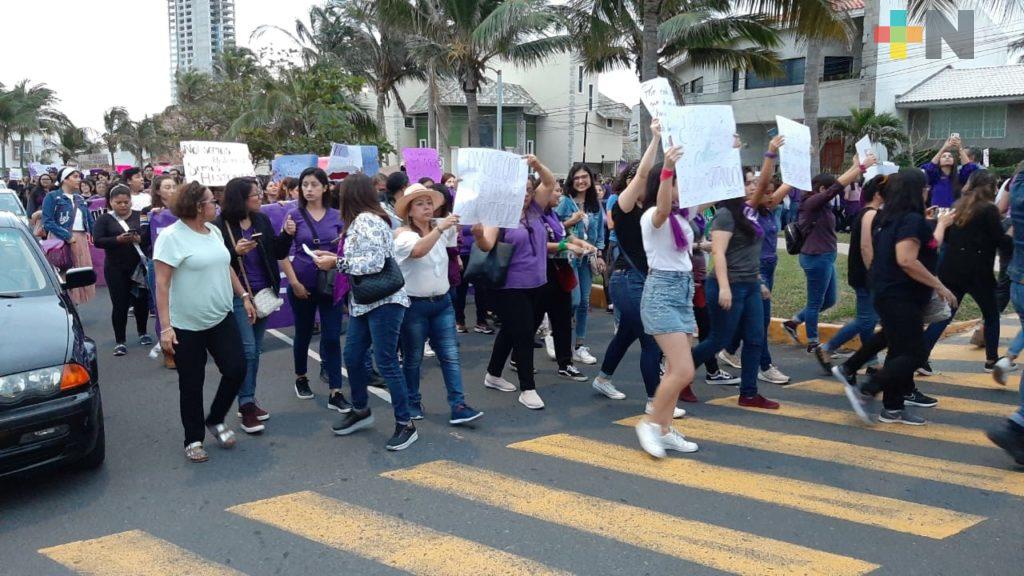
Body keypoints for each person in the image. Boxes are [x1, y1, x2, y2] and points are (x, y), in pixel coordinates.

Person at [840, 167, 957, 426]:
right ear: (917, 190)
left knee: (898, 349)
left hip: (891, 292)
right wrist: (939, 285)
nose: (928, 191)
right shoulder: (910, 220)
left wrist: (938, 225)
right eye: (925, 187)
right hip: (900, 295)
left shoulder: (892, 217)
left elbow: (925, 246)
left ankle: (892, 408)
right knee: (915, 354)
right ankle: (867, 389)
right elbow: (906, 260)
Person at [154, 181, 255, 463]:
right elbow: (161, 284)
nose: (217, 205)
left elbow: (226, 265)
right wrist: (166, 327)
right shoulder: (171, 237)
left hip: (221, 316)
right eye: (212, 201)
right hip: (186, 324)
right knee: (191, 383)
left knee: (237, 368)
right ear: (199, 207)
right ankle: (193, 439)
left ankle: (216, 418)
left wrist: (243, 295)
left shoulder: (214, 231)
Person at [326, 173, 416, 451]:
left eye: (341, 193)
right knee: (353, 356)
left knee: (386, 361)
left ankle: (406, 424)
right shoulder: (359, 221)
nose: (338, 197)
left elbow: (375, 263)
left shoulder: (369, 220)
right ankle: (361, 409)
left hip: (384, 300)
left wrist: (337, 263)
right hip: (365, 301)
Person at [594, 122, 682, 402]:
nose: (640, 183)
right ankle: (655, 402)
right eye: (634, 181)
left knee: (626, 334)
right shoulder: (623, 206)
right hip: (626, 280)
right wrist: (655, 139)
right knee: (650, 339)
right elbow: (643, 173)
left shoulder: (655, 210)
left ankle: (602, 378)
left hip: (645, 281)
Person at [393, 183, 483, 425]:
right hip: (414, 306)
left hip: (442, 302)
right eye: (419, 204)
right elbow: (418, 250)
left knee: (450, 355)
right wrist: (441, 228)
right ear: (409, 211)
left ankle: (458, 405)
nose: (426, 208)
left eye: (429, 203)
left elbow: (453, 247)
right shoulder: (403, 234)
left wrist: (464, 227)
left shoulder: (440, 227)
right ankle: (412, 402)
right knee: (413, 358)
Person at [633, 143, 700, 458]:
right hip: (661, 292)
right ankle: (648, 424)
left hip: (683, 292)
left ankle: (663, 429)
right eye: (675, 182)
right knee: (684, 371)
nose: (680, 188)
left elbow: (712, 192)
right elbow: (661, 209)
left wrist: (725, 154)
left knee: (676, 368)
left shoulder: (683, 217)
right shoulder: (651, 216)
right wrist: (668, 169)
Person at [214, 177, 294, 434]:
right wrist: (235, 252)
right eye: (255, 195)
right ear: (240, 199)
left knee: (255, 350)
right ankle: (246, 404)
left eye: (259, 193)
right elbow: (215, 263)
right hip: (237, 295)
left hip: (264, 293)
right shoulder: (220, 225)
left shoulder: (261, 220)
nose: (260, 197)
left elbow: (277, 252)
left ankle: (248, 399)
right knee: (247, 349)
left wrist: (287, 234)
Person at [477, 155, 555, 410]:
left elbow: (550, 183)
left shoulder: (534, 210)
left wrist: (537, 165)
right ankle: (527, 388)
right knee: (523, 334)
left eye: (529, 190)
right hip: (510, 286)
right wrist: (478, 235)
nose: (525, 195)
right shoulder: (498, 214)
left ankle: (493, 374)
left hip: (538, 283)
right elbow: (487, 244)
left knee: (512, 331)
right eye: (520, 190)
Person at [719, 138, 791, 385]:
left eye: (755, 183)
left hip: (768, 267)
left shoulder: (767, 208)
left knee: (750, 321)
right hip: (752, 272)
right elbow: (761, 184)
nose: (757, 188)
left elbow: (788, 183)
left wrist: (797, 159)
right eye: (748, 183)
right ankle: (765, 365)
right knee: (758, 322)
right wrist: (770, 152)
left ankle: (728, 350)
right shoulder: (743, 211)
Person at [920, 169, 1004, 372]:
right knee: (991, 314)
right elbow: (999, 240)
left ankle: (920, 356)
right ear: (991, 188)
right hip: (978, 272)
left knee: (946, 314)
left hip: (953, 269)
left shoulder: (958, 205)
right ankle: (991, 360)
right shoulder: (989, 210)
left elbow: (948, 238)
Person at [281, 168, 347, 409]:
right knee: (303, 333)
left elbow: (345, 251)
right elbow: (281, 253)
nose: (308, 189)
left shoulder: (338, 216)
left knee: (332, 337)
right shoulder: (293, 215)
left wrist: (334, 256)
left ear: (325, 187)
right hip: (303, 286)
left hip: (331, 284)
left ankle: (336, 391)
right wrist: (294, 283)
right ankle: (301, 377)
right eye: (305, 185)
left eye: (314, 184)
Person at [814, 175, 888, 373]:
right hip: (866, 274)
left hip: (863, 273)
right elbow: (866, 247)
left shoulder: (868, 213)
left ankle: (871, 361)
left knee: (868, 319)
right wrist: (874, 273)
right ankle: (827, 348)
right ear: (878, 194)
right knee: (866, 320)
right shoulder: (870, 214)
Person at [537, 180, 595, 381]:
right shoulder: (534, 217)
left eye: (560, 191)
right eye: (555, 191)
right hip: (541, 272)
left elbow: (565, 234)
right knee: (532, 319)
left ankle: (565, 363)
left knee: (563, 317)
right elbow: (540, 244)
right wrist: (566, 246)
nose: (559, 195)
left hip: (560, 270)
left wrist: (582, 244)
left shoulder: (552, 215)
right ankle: (516, 358)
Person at [782, 170, 846, 353]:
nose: (834, 195)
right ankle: (813, 343)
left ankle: (793, 322)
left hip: (826, 257)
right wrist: (860, 167)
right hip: (816, 257)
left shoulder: (822, 205)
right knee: (815, 303)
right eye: (829, 190)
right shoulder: (811, 202)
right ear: (822, 189)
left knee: (829, 300)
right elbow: (836, 188)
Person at [987, 168, 1024, 464]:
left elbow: (1001, 211)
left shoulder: (1018, 179)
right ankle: (1017, 427)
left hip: (1018, 280)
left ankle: (1019, 429)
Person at [92, 185, 152, 356]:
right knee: (120, 304)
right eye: (118, 202)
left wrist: (138, 239)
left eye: (126, 202)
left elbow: (148, 237)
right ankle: (120, 341)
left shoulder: (140, 215)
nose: (123, 205)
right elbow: (98, 241)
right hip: (115, 268)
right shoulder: (104, 219)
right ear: (111, 202)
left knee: (141, 302)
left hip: (138, 266)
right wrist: (117, 239)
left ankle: (143, 332)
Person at [556, 163, 606, 365]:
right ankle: (557, 335)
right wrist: (571, 220)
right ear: (571, 180)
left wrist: (599, 254)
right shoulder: (565, 203)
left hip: (587, 258)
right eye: (576, 177)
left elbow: (600, 234)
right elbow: (554, 229)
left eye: (584, 177)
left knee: (584, 303)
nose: (581, 181)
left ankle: (579, 345)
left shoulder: (595, 205)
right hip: (569, 257)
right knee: (574, 301)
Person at [41, 167, 96, 304]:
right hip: (60, 240)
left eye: (79, 176)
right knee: (64, 272)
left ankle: (75, 304)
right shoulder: (52, 197)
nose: (79, 180)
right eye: (75, 176)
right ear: (64, 179)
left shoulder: (79, 198)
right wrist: (67, 236)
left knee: (79, 273)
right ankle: (64, 303)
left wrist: (97, 235)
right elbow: (47, 221)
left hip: (80, 240)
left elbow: (90, 221)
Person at [921, 135, 980, 209]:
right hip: (936, 212)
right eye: (943, 156)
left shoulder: (959, 177)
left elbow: (969, 168)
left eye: (950, 156)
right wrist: (944, 148)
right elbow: (929, 168)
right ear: (939, 161)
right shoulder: (934, 177)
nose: (947, 157)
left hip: (955, 212)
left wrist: (960, 148)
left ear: (954, 161)